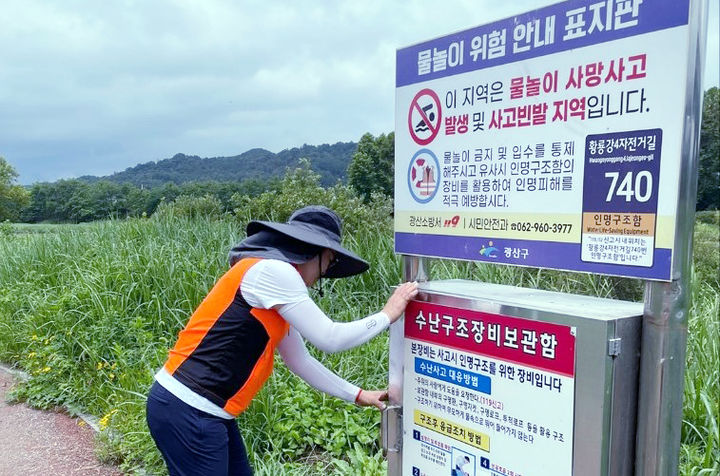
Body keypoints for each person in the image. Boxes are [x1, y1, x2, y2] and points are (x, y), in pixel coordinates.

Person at [146, 205, 419, 476]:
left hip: (204, 411)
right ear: (317, 252)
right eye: (330, 261)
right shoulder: (275, 272)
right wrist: (387, 315)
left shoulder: (273, 286)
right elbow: (330, 338)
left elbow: (300, 360)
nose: (324, 273)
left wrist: (357, 395)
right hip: (189, 408)